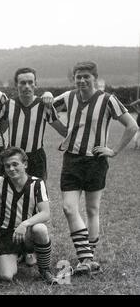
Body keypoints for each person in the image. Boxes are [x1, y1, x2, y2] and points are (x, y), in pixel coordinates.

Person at [52, 61, 138, 274]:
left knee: (92, 209)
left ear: (95, 78)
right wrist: (66, 132)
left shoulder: (108, 99)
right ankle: (87, 259)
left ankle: (87, 258)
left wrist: (114, 150)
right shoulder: (68, 97)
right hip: (71, 160)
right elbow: (48, 109)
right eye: (78, 76)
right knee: (69, 208)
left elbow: (132, 125)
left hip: (95, 161)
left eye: (86, 77)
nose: (81, 80)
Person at [0, 147, 57, 285]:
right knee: (6, 276)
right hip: (5, 235)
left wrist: (25, 224)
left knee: (40, 229)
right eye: (7, 166)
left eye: (15, 164)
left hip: (27, 234)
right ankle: (19, 255)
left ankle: (44, 269)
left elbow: (45, 213)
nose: (11, 169)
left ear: (25, 164)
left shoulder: (37, 183)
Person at [0, 67, 67, 181]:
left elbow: (63, 131)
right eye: (23, 83)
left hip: (36, 158)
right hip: (13, 157)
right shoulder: (7, 105)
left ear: (36, 84)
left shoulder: (44, 106)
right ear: (16, 84)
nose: (27, 86)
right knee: (10, 194)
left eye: (30, 82)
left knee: (37, 194)